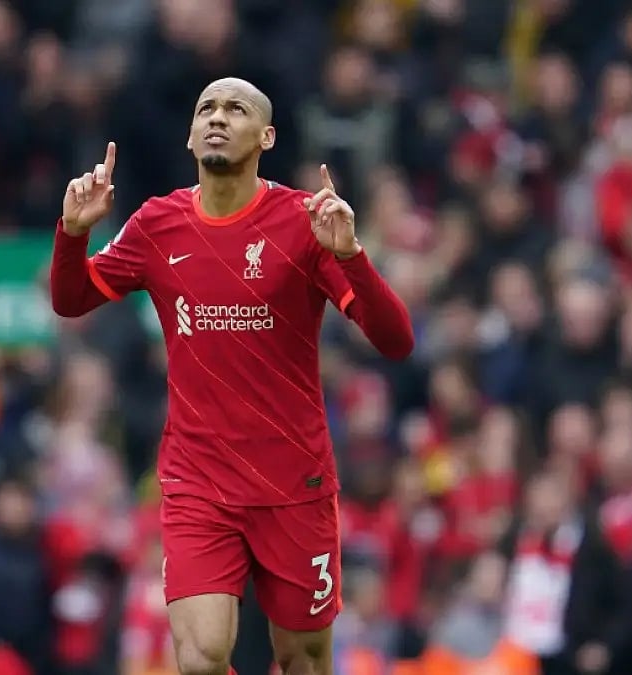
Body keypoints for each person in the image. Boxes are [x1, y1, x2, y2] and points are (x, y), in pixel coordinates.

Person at [49, 77, 414, 675]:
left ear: (266, 136)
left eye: (236, 109)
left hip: (294, 483)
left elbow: (396, 341)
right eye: (206, 110)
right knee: (199, 660)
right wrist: (73, 232)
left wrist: (351, 256)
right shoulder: (155, 224)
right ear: (192, 137)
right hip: (199, 483)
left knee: (303, 658)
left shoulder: (306, 222)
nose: (217, 118)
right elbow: (71, 300)